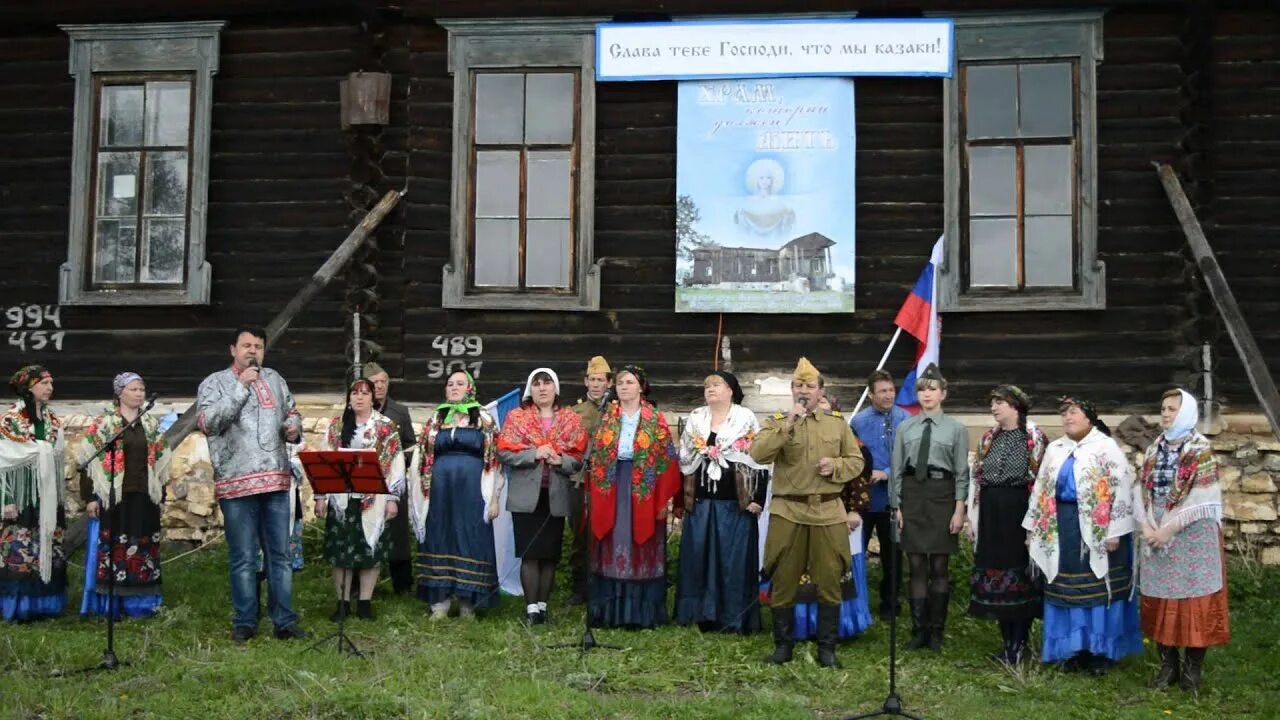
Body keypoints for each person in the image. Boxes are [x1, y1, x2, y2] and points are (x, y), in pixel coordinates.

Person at [751, 357, 866, 669]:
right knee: (784, 578)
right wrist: (788, 424)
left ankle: (827, 649)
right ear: (792, 390)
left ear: (820, 391)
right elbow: (758, 453)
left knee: (829, 578)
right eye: (798, 386)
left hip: (828, 511)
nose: (804, 391)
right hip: (788, 511)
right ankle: (782, 647)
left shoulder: (837, 423)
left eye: (810, 386)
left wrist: (836, 466)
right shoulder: (777, 421)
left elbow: (856, 462)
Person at [196, 326, 308, 642]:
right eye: (246, 345)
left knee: (280, 555)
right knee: (244, 557)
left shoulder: (275, 379)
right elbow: (208, 423)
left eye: (258, 346)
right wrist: (240, 388)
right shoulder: (215, 383)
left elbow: (293, 412)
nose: (253, 351)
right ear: (233, 349)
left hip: (275, 480)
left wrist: (293, 428)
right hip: (236, 483)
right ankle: (245, 621)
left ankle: (284, 621)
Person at [1024, 397, 1142, 676]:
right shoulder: (1055, 449)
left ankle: (1099, 651)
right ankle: (1071, 649)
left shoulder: (1105, 448)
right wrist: (1033, 529)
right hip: (1062, 526)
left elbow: (1122, 489)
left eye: (1073, 412)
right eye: (1064, 413)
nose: (1067, 417)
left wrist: (1115, 529)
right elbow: (1041, 490)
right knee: (1064, 587)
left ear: (1089, 417)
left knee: (1098, 588)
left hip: (1098, 530)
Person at [1136, 388, 1229, 692]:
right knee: (1161, 598)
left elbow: (1204, 497)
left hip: (1191, 532)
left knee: (1193, 600)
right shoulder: (1154, 449)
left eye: (1172, 409)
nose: (1165, 414)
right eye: (1163, 408)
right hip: (1157, 526)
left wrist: (1169, 528)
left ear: (1186, 413)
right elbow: (1143, 490)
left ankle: (1192, 671)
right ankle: (1168, 667)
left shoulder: (1199, 449)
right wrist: (1149, 525)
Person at [772, 393, 875, 644]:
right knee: (791, 574)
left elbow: (859, 473)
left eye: (827, 405)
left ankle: (831, 639)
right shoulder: (787, 426)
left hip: (832, 514)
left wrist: (854, 509)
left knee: (832, 575)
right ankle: (792, 635)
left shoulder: (844, 433)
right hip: (794, 514)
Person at [585, 365, 680, 629]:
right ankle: (609, 611)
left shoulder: (655, 419)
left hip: (643, 491)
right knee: (613, 540)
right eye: (620, 383)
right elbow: (595, 456)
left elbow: (667, 461)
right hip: (612, 486)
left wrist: (662, 500)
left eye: (629, 382)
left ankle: (640, 613)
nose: (623, 387)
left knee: (641, 542)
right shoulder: (607, 418)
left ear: (641, 387)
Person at [675, 370, 769, 634]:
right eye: (707, 386)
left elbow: (758, 459)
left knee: (732, 562)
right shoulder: (695, 418)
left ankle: (734, 617)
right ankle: (701, 614)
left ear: (731, 390)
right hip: (702, 502)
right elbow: (684, 460)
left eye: (717, 384)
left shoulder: (745, 419)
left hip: (735, 505)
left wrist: (758, 498)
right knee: (699, 558)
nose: (711, 389)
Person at [408, 370, 503, 620]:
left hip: (473, 492)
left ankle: (467, 603)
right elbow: (421, 457)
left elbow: (496, 461)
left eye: (460, 383)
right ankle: (439, 602)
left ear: (470, 388)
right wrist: (418, 492)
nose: (454, 387)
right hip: (438, 492)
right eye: (450, 384)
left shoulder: (483, 419)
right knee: (439, 536)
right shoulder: (436, 419)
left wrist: (494, 497)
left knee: (470, 538)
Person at [78, 372, 172, 619]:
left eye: (142, 389)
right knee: (115, 546)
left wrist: (160, 496)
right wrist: (89, 497)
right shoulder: (105, 424)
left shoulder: (150, 425)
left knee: (142, 545)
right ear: (120, 393)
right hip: (114, 495)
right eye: (134, 389)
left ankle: (140, 604)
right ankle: (111, 605)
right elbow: (88, 460)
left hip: (143, 493)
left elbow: (159, 465)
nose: (139, 394)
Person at [496, 368, 587, 625]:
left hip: (556, 494)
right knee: (530, 553)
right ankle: (531, 608)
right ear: (530, 389)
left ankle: (543, 607)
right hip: (526, 495)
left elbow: (579, 459)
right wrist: (534, 454)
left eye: (547, 383)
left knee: (550, 553)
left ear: (555, 388)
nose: (542, 388)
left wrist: (561, 460)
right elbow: (504, 452)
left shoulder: (570, 418)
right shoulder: (516, 417)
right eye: (537, 384)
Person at [965, 385, 1048, 664]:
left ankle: (1020, 643)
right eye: (992, 402)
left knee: (1019, 576)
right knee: (996, 575)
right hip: (991, 513)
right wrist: (972, 516)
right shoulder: (989, 438)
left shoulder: (1034, 437)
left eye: (999, 402)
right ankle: (1006, 644)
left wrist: (1033, 526)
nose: (994, 407)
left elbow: (1041, 484)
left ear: (1015, 405)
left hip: (1018, 513)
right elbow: (977, 479)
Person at [890, 363, 969, 653]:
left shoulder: (956, 429)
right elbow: (897, 468)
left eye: (932, 389)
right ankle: (919, 629)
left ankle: (937, 630)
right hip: (912, 494)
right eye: (922, 390)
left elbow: (962, 471)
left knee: (939, 564)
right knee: (916, 565)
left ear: (943, 394)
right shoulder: (905, 427)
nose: (926, 394)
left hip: (942, 494)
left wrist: (959, 509)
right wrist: (896, 506)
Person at [314, 378, 405, 622]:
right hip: (342, 497)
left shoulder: (385, 426)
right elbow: (325, 460)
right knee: (340, 550)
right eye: (355, 393)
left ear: (373, 397)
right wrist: (321, 496)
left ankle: (365, 602)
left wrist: (392, 498)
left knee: (369, 549)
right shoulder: (336, 425)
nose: (359, 398)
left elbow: (396, 464)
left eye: (365, 393)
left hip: (373, 497)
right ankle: (342, 602)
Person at [0, 366, 67, 622]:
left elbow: (56, 458)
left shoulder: (53, 421)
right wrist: (6, 499)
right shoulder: (10, 421)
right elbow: (2, 464)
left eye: (51, 383)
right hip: (21, 497)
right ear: (29, 387)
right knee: (20, 551)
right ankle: (17, 608)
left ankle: (45, 605)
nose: (50, 388)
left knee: (47, 547)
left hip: (47, 497)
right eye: (44, 383)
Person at [850, 370, 911, 620]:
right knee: (857, 552)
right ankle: (856, 601)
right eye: (882, 391)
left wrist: (886, 472)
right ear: (871, 394)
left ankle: (890, 603)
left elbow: (909, 457)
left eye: (891, 390)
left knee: (892, 555)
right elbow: (852, 455)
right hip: (864, 500)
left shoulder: (906, 420)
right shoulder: (858, 421)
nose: (888, 395)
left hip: (892, 499)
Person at [364, 362, 417, 594]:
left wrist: (398, 461)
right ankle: (362, 584)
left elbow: (410, 444)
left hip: (393, 481)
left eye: (383, 382)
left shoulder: (400, 411)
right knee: (365, 530)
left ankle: (402, 584)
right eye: (375, 383)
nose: (380, 386)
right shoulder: (359, 410)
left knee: (398, 535)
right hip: (366, 481)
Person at [566, 355, 613, 606]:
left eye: (600, 380)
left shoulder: (616, 409)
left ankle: (604, 582)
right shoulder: (575, 411)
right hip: (580, 479)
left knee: (605, 532)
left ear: (609, 383)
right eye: (591, 380)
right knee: (579, 534)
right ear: (586, 382)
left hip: (607, 482)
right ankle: (579, 587)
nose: (595, 385)